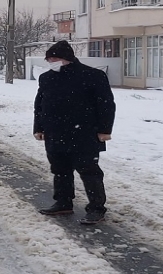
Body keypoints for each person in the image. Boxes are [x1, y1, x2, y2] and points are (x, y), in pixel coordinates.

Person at [33, 40, 116, 225]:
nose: (51, 62)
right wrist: (38, 128)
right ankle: (63, 202)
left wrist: (105, 130)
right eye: (49, 59)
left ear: (66, 58)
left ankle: (96, 208)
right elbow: (40, 105)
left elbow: (106, 105)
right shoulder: (46, 78)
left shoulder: (93, 75)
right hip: (55, 132)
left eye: (54, 58)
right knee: (60, 170)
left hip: (84, 133)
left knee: (89, 171)